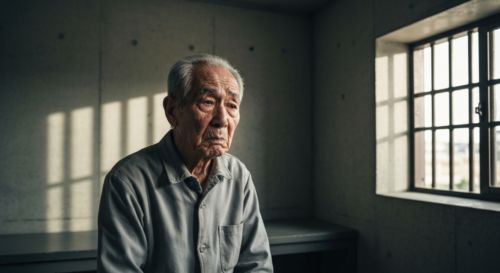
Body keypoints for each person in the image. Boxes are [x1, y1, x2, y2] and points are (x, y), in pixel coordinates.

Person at [97, 54, 273, 273]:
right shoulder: (127, 181)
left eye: (232, 105)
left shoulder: (239, 175)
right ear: (172, 111)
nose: (222, 119)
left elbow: (257, 266)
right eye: (208, 102)